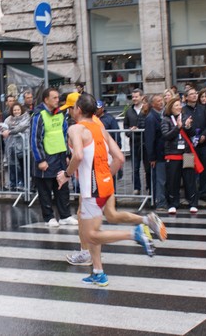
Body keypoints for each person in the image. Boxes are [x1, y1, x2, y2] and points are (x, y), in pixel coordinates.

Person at [56, 93, 166, 284]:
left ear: (78, 110)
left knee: (91, 234)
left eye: (72, 109)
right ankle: (98, 272)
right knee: (106, 220)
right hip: (105, 184)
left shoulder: (76, 129)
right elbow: (120, 158)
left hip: (92, 189)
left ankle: (136, 233)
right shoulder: (101, 128)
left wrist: (66, 175)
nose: (70, 112)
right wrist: (105, 175)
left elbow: (79, 156)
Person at [30, 88, 77, 227]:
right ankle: (49, 217)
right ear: (46, 100)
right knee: (45, 189)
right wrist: (40, 160)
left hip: (60, 156)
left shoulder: (60, 114)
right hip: (46, 157)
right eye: (54, 98)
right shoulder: (38, 115)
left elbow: (64, 135)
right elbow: (35, 139)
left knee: (62, 187)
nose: (58, 100)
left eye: (58, 97)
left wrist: (67, 154)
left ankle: (65, 215)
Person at [161, 98, 199, 214]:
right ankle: (173, 203)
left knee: (190, 179)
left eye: (179, 105)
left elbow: (192, 133)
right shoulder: (166, 120)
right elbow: (166, 135)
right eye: (176, 105)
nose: (179, 107)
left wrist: (187, 126)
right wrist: (177, 127)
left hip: (186, 153)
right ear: (171, 107)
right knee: (173, 180)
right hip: (172, 154)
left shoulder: (185, 117)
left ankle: (193, 202)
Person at [183, 87, 206, 202]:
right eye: (191, 94)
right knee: (189, 169)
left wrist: (204, 135)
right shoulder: (183, 110)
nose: (194, 95)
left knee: (204, 168)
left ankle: (204, 192)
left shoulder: (203, 109)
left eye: (195, 93)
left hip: (203, 144)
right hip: (189, 146)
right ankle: (190, 193)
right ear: (186, 97)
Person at [144, 94, 167, 210]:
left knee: (163, 178)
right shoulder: (151, 118)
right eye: (158, 101)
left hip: (164, 152)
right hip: (158, 154)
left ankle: (164, 199)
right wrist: (152, 157)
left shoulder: (163, 115)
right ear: (152, 104)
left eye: (161, 100)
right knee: (159, 180)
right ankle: (159, 202)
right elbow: (149, 139)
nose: (161, 102)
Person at [1, 103, 30, 190]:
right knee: (12, 165)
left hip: (24, 146)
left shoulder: (26, 117)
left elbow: (21, 127)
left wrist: (10, 132)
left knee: (23, 166)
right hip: (12, 147)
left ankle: (24, 183)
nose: (16, 111)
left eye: (18, 110)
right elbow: (4, 128)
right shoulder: (8, 119)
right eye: (14, 110)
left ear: (21, 110)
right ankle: (13, 183)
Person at [123, 88, 145, 195]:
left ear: (142, 97)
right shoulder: (129, 111)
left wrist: (139, 128)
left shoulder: (145, 109)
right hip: (134, 142)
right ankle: (137, 187)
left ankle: (149, 187)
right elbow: (125, 126)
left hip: (145, 141)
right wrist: (129, 132)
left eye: (136, 96)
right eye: (133, 97)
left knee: (147, 167)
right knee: (135, 167)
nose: (134, 99)